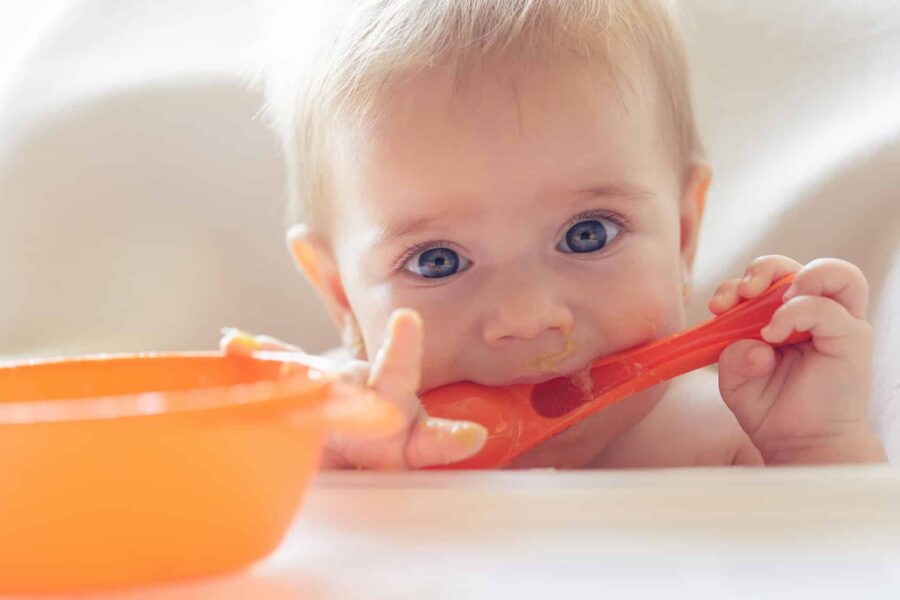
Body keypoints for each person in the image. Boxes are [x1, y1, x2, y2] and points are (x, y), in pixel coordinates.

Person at [223, 0, 885, 469]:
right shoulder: (339, 437)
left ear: (683, 234)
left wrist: (813, 449)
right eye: (438, 259)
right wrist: (343, 489)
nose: (527, 318)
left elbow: (846, 565)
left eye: (588, 235)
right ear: (341, 295)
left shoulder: (729, 442)